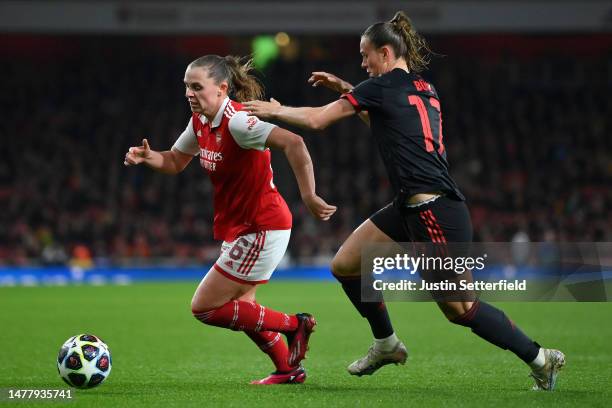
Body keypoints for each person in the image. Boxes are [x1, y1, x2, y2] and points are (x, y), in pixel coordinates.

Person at [243, 11, 565, 390]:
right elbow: (385, 119)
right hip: (410, 206)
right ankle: (386, 343)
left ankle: (542, 358)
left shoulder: (379, 88)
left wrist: (273, 111)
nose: (363, 64)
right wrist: (347, 89)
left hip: (435, 211)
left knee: (462, 309)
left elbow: (317, 121)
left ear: (384, 52)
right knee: (347, 265)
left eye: (365, 56)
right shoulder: (423, 87)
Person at [124, 55, 337, 385]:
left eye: (197, 87)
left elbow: (294, 142)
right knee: (242, 308)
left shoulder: (237, 122)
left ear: (222, 89)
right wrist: (148, 156)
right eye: (186, 88)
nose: (189, 94)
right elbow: (176, 160)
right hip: (241, 227)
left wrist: (309, 196)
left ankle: (296, 325)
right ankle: (288, 370)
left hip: (262, 226)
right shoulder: (200, 122)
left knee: (206, 307)